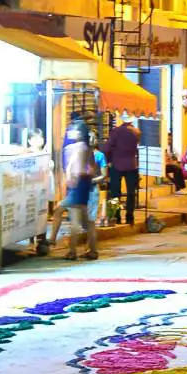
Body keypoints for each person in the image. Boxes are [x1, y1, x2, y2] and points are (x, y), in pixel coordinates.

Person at [63, 123, 99, 261]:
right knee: (86, 221)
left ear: (79, 133)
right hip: (84, 184)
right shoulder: (87, 148)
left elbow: (74, 166)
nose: (70, 131)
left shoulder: (78, 148)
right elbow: (92, 169)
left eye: (73, 129)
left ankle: (72, 251)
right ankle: (92, 250)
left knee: (75, 220)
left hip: (77, 184)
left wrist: (70, 178)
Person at [106, 111, 142, 225]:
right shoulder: (136, 132)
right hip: (131, 164)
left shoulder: (116, 131)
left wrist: (108, 161)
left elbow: (108, 147)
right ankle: (130, 216)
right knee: (131, 192)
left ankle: (116, 216)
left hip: (116, 164)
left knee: (115, 192)